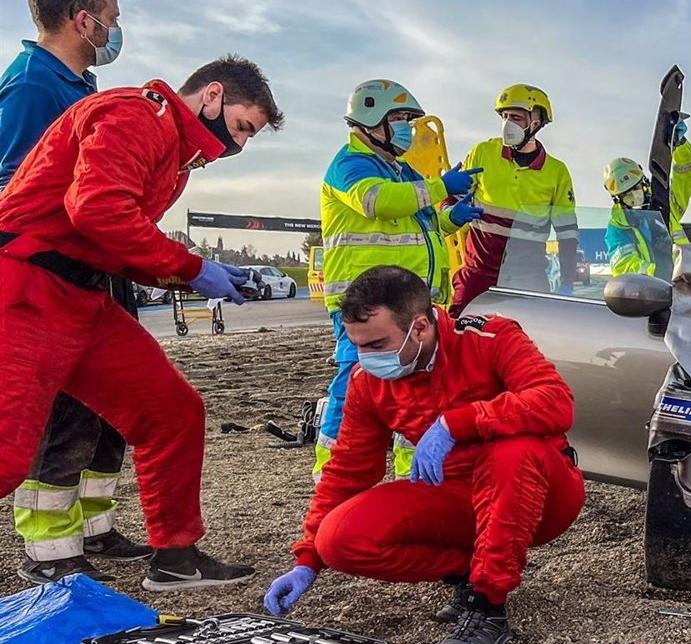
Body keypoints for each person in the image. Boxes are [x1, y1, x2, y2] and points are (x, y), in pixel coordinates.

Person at [0, 56, 282, 591]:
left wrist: (193, 277)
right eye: (243, 127)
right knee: (6, 453)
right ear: (213, 96)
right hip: (27, 288)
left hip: (81, 296)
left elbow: (106, 233)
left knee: (171, 410)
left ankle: (175, 557)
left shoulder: (170, 150)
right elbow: (98, 209)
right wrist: (194, 268)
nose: (238, 147)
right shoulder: (137, 115)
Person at [262, 267, 584, 644]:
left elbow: (555, 402)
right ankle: (471, 570)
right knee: (340, 539)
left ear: (419, 328)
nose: (367, 358)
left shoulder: (489, 337)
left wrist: (457, 423)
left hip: (542, 493)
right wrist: (309, 559)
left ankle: (486, 605)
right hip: (458, 496)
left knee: (511, 453)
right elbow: (348, 469)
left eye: (378, 343)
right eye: (358, 346)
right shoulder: (368, 380)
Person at [1, 0, 153, 583]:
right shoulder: (32, 87)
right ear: (82, 21)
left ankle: (95, 526)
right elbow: (15, 194)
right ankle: (49, 552)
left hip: (102, 269)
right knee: (63, 412)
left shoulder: (81, 88)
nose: (117, 28)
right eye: (112, 16)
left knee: (112, 410)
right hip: (55, 277)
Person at [317, 79, 480, 480]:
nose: (407, 127)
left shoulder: (400, 169)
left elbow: (418, 223)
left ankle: (414, 473)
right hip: (365, 303)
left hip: (407, 302)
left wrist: (449, 219)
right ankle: (334, 472)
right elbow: (380, 204)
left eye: (408, 119)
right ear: (372, 121)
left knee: (418, 387)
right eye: (400, 119)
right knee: (354, 384)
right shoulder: (350, 164)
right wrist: (441, 186)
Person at [447, 84, 579, 312]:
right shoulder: (483, 153)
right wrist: (450, 214)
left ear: (536, 123)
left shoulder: (556, 172)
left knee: (533, 341)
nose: (508, 124)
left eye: (516, 117)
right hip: (478, 275)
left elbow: (567, 233)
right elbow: (452, 198)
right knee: (458, 337)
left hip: (527, 280)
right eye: (504, 116)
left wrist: (568, 280)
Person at [602, 119, 691, 279]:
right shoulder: (618, 228)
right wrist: (659, 274)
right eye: (627, 196)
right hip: (652, 295)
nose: (635, 197)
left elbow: (686, 177)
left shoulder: (663, 203)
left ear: (645, 184)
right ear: (618, 200)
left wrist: (680, 145)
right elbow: (624, 267)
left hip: (687, 283)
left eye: (637, 189)